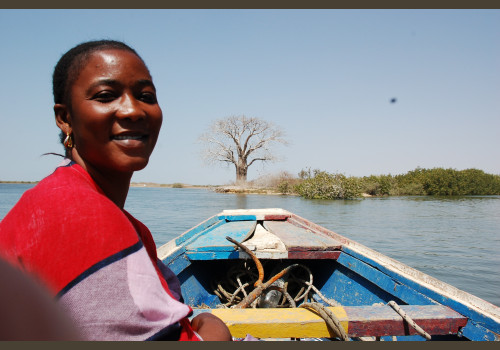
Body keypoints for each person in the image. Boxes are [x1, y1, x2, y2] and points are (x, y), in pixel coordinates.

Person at [0, 40, 232, 341]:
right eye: (106, 96)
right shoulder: (76, 212)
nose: (133, 110)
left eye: (145, 96)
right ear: (65, 118)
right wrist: (216, 330)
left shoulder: (92, 208)